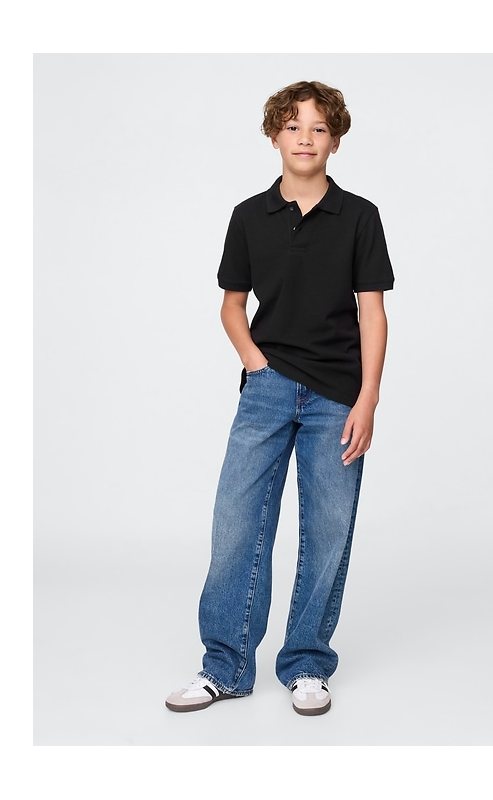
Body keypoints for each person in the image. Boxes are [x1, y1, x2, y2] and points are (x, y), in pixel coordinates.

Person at [166, 80, 395, 716]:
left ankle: (307, 664)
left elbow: (372, 313)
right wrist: (256, 363)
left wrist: (368, 398)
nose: (305, 137)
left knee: (327, 533)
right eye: (293, 126)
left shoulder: (360, 217)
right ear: (274, 136)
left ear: (335, 141)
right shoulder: (249, 216)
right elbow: (232, 304)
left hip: (338, 397)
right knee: (237, 527)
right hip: (266, 391)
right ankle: (225, 667)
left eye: (319, 128)